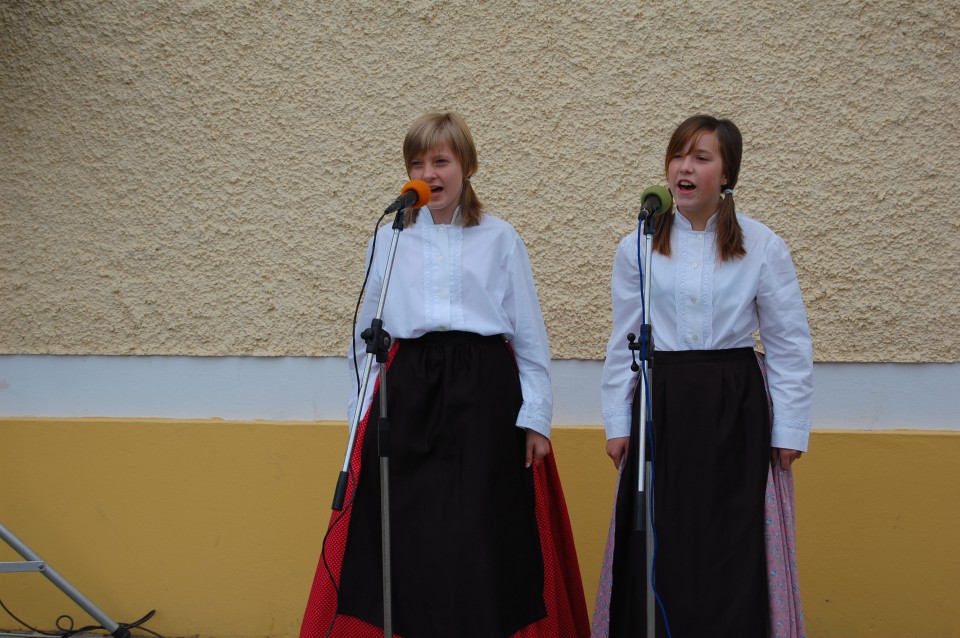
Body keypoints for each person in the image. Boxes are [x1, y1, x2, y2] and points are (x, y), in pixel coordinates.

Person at [300, 111, 590, 638]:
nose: (429, 173)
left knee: (481, 533)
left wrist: (537, 418)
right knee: (410, 535)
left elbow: (528, 336)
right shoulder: (389, 239)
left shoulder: (500, 238)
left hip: (485, 396)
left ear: (467, 166)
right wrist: (358, 420)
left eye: (441, 160)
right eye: (417, 162)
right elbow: (366, 338)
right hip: (409, 393)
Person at [592, 115, 812, 637]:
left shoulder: (762, 246)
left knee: (730, 543)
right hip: (661, 403)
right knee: (661, 535)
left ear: (727, 173)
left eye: (701, 157)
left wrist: (789, 428)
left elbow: (789, 343)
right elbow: (625, 339)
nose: (684, 167)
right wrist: (617, 420)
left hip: (734, 406)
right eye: (678, 156)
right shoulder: (638, 245)